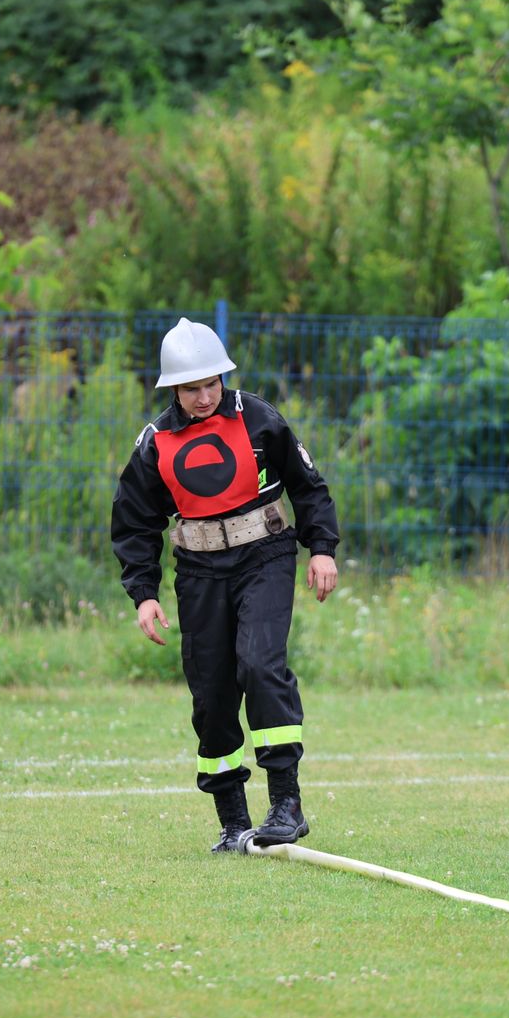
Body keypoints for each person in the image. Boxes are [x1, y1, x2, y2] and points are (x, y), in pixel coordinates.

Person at [110, 317, 341, 853]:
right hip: (197, 570)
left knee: (260, 665)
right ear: (173, 388)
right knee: (212, 693)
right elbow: (135, 523)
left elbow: (308, 486)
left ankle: (286, 805)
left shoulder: (259, 418)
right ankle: (233, 821)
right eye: (191, 388)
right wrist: (144, 593)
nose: (204, 395)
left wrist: (322, 548)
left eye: (212, 383)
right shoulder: (154, 443)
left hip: (266, 554)